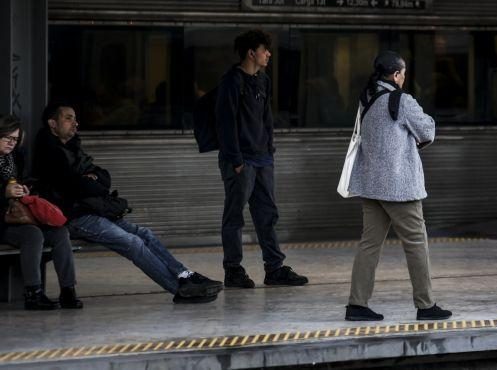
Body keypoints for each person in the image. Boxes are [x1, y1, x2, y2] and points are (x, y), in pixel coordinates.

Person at [32, 102, 222, 304]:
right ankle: (179, 290)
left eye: (75, 118)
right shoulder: (49, 152)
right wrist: (90, 182)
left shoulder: (73, 147)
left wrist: (91, 181)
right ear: (52, 123)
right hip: (76, 216)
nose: (75, 123)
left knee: (144, 234)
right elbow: (75, 185)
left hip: (96, 210)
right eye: (68, 118)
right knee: (133, 243)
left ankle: (185, 276)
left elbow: (104, 178)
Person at [345, 51, 451, 322]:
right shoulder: (401, 100)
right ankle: (426, 305)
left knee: (369, 244)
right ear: (395, 75)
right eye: (402, 73)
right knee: (416, 242)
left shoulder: (366, 98)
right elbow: (427, 130)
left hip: (371, 185)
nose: (404, 77)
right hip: (399, 186)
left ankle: (357, 304)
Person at [215, 29, 307, 288]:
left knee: (267, 215)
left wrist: (269, 150)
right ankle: (233, 270)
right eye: (264, 50)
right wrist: (235, 160)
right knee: (234, 216)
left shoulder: (263, 80)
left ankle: (274, 268)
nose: (268, 54)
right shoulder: (232, 81)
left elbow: (266, 118)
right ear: (251, 53)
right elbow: (225, 123)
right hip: (241, 160)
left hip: (263, 158)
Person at [0, 114, 82, 310]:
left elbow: (23, 182)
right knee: (33, 234)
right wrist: (4, 192)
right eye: (8, 138)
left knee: (60, 232)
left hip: (19, 216)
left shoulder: (14, 159)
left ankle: (68, 290)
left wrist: (24, 190)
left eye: (16, 139)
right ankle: (33, 293)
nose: (12, 143)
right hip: (4, 221)